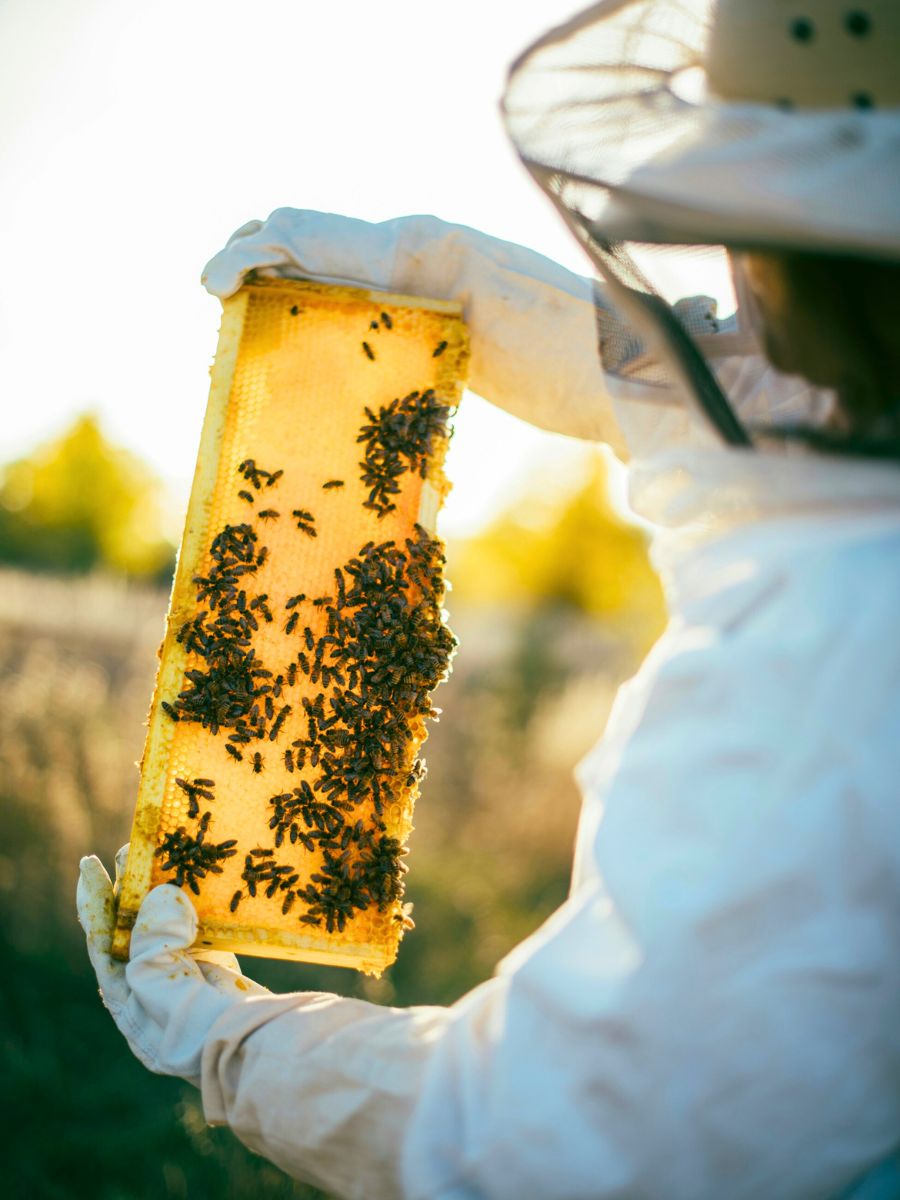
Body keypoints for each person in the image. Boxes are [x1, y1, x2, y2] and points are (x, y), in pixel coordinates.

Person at [77, 2, 900, 1196]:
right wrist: (458, 287)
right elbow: (773, 412)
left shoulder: (823, 661)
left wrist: (225, 1043)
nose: (733, 273)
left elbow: (551, 1140)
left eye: (752, 227)